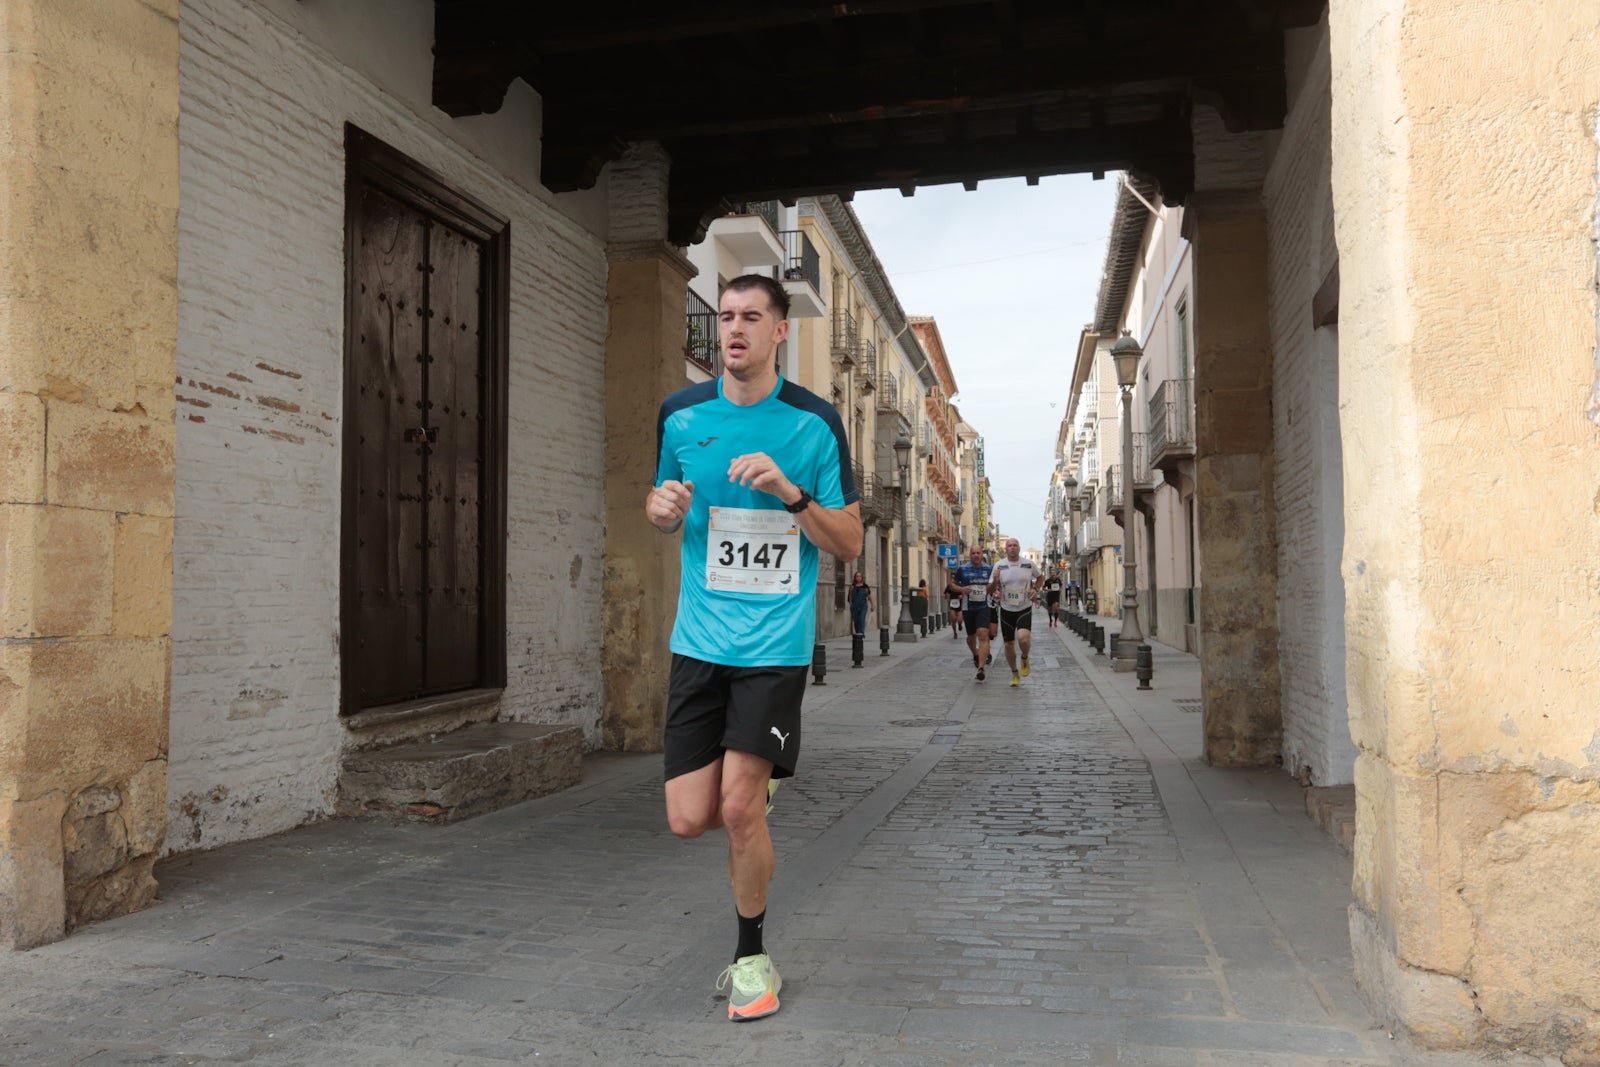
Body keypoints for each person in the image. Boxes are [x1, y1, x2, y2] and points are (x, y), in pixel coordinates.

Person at [646, 274, 862, 1022]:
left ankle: (752, 958)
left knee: (738, 810)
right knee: (686, 816)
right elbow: (661, 503)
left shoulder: (814, 423)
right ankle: (754, 787)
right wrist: (662, 506)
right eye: (726, 315)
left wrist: (793, 496)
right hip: (698, 641)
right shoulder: (681, 415)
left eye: (751, 317)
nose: (733, 328)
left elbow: (852, 539)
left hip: (773, 645)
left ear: (779, 332)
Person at [988, 538, 1043, 686]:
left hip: (1024, 607)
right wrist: (995, 583)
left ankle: (1025, 657)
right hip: (1006, 609)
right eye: (1009, 546)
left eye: (1015, 545)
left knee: (1023, 638)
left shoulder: (1028, 564)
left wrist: (1034, 589)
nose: (1012, 548)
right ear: (1005, 549)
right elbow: (990, 589)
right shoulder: (999, 566)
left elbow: (1040, 577)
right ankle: (1014, 673)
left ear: (1019, 548)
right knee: (1008, 645)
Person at [951, 546, 994, 680]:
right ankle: (975, 653)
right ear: (970, 555)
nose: (976, 555)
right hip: (968, 608)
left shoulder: (989, 569)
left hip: (983, 606)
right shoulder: (963, 569)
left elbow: (993, 587)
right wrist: (961, 589)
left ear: (982, 555)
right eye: (973, 553)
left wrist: (996, 585)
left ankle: (981, 668)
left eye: (978, 553)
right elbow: (951, 585)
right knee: (971, 637)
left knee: (983, 634)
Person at [848, 571, 872, 636]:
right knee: (856, 620)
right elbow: (850, 596)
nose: (858, 578)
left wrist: (872, 604)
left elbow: (869, 596)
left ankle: (861, 633)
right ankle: (858, 633)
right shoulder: (852, 587)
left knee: (861, 619)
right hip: (854, 606)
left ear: (862, 578)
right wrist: (851, 604)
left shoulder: (865, 587)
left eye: (859, 576)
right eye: (857, 576)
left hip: (863, 606)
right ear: (855, 578)